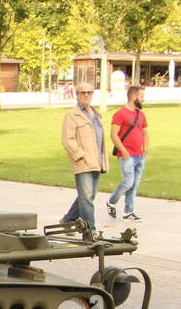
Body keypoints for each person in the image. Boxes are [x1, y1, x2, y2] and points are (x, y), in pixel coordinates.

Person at [60, 83, 109, 231]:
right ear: (77, 95)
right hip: (83, 162)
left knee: (88, 196)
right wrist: (81, 155)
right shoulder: (72, 115)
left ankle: (68, 221)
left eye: (89, 92)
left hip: (96, 161)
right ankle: (90, 231)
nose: (86, 95)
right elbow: (67, 140)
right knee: (86, 198)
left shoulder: (95, 114)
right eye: (82, 93)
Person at [106, 85, 148, 222]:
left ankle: (128, 212)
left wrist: (145, 150)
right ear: (134, 97)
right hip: (127, 155)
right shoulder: (120, 114)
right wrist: (123, 151)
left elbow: (145, 132)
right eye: (141, 97)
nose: (144, 100)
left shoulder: (140, 115)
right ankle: (111, 202)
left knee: (134, 184)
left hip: (139, 155)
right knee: (128, 182)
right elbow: (113, 134)